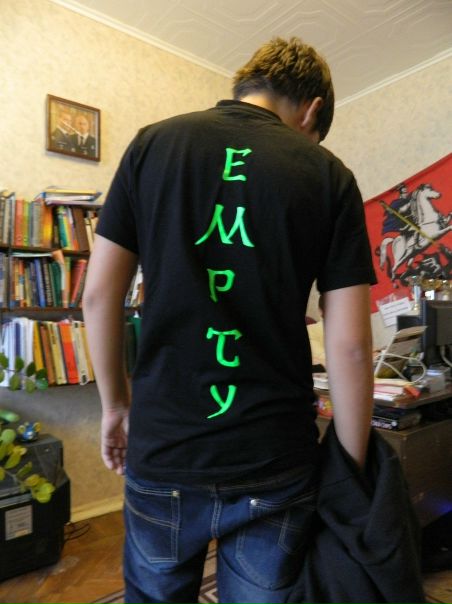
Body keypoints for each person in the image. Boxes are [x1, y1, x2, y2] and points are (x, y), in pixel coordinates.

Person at [83, 36, 376, 604]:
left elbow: (98, 297)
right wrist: (351, 465)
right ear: (312, 111)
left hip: (165, 448)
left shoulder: (152, 145)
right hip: (275, 456)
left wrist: (116, 407)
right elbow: (352, 348)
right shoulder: (328, 175)